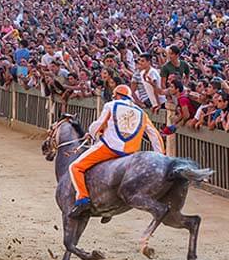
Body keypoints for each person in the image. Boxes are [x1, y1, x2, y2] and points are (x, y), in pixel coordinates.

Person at [67, 85, 165, 219]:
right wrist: (161, 157)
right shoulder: (142, 112)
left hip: (109, 148)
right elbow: (154, 135)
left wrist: (91, 133)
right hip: (131, 153)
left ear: (117, 95)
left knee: (75, 167)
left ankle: (82, 198)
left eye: (114, 95)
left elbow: (98, 124)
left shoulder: (111, 105)